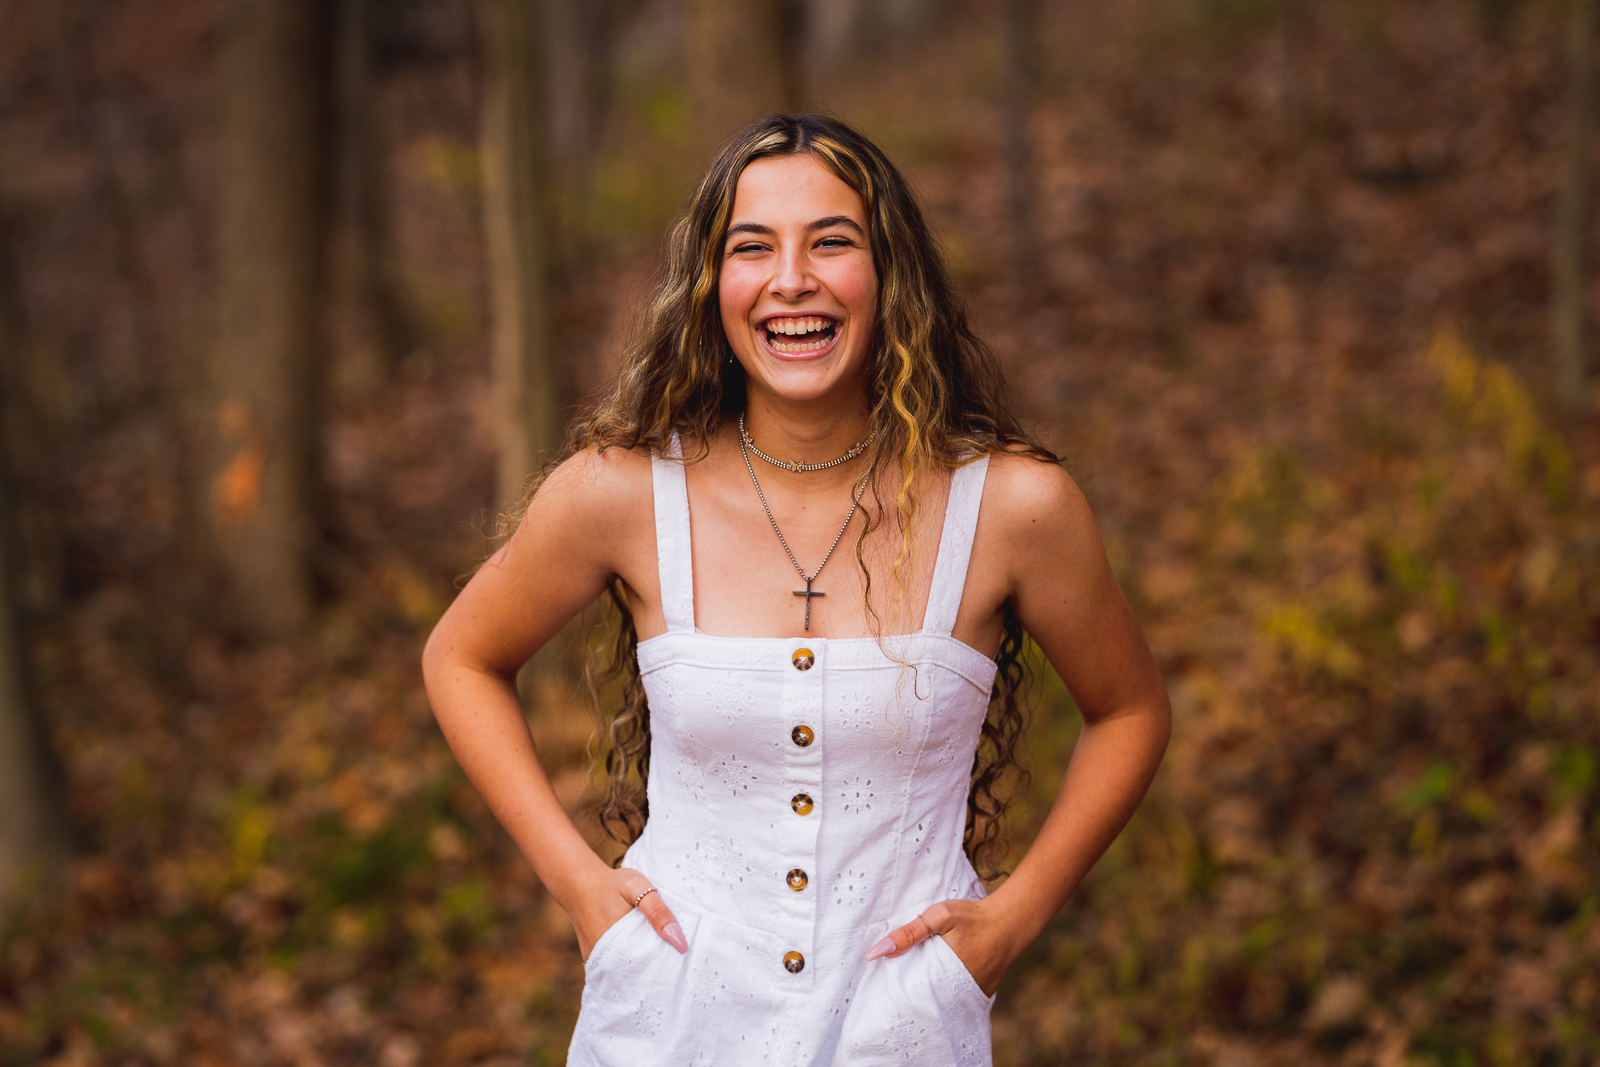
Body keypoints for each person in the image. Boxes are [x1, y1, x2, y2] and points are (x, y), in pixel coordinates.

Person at [421, 113, 1170, 1066]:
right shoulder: (621, 491)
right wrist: (578, 885)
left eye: (832, 242)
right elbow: (461, 655)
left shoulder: (1014, 507)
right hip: (664, 1027)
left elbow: (1131, 710)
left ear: (889, 274)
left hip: (901, 1033)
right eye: (752, 248)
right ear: (711, 285)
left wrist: (1011, 921)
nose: (791, 280)